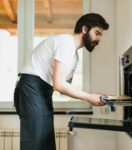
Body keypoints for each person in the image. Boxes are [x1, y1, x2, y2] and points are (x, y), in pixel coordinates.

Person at [14, 13, 109, 150]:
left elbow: (64, 87)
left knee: (46, 141)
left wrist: (93, 96)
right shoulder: (66, 42)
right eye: (97, 33)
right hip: (32, 87)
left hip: (42, 91)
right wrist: (89, 97)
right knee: (36, 143)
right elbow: (59, 85)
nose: (99, 40)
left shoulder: (74, 56)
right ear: (85, 29)